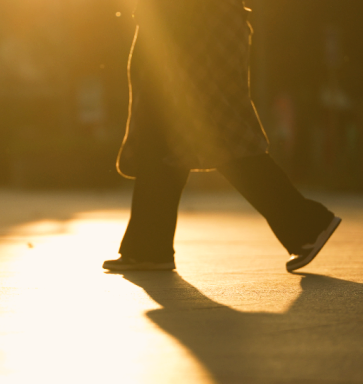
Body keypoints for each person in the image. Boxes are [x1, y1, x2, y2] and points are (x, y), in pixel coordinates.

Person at [102, 0, 341, 272]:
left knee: (218, 136)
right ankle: (148, 247)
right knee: (165, 139)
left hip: (192, 28)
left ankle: (306, 225)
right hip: (185, 26)